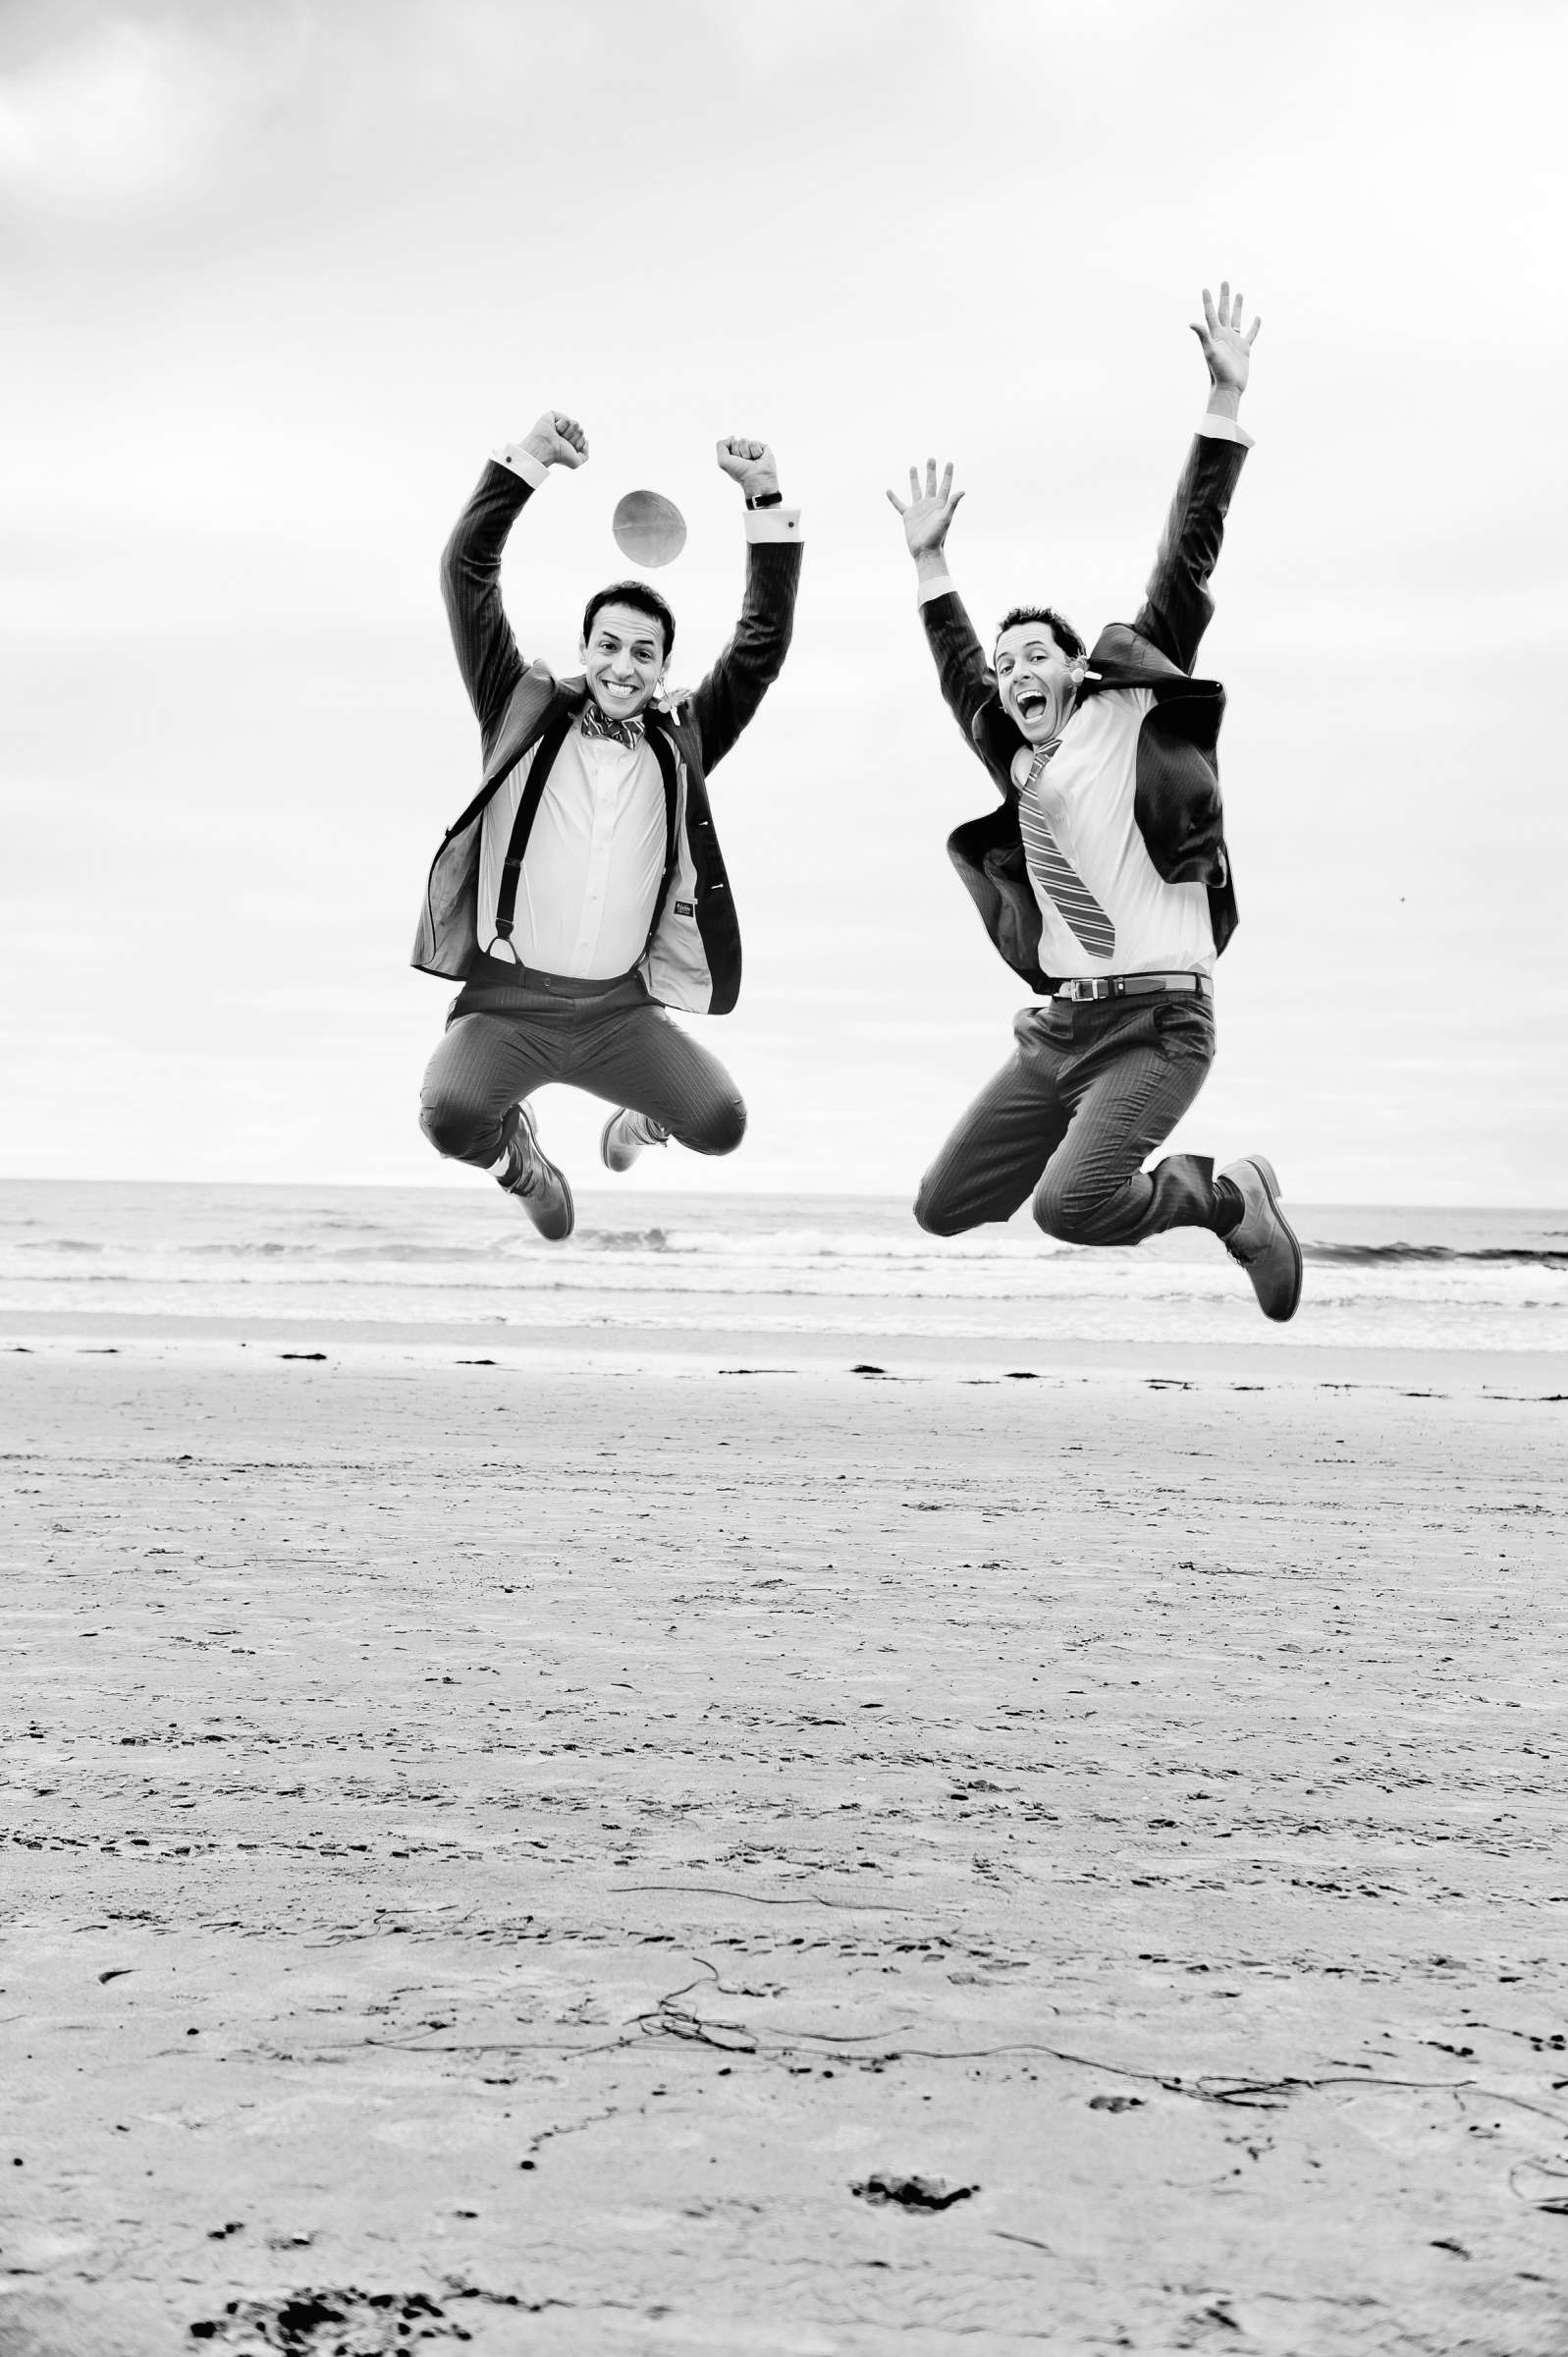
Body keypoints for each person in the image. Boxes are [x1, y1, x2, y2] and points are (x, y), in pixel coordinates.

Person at [886, 282, 1301, 1321]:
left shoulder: (1125, 717)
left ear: (1078, 669)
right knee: (942, 1207)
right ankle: (1092, 1147)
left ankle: (1224, 1196)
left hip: (1161, 1021)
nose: (1013, 668)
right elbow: (955, 675)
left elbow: (1185, 559)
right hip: (1060, 1031)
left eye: (1036, 654)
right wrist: (931, 561)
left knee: (1068, 1210)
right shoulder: (1018, 763)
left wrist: (1222, 401)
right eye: (1004, 659)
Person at [413, 412, 802, 1239]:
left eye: (644, 653)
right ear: (585, 649)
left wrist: (763, 497)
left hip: (618, 1016)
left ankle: (637, 1119)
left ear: (664, 668)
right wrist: (530, 462)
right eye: (609, 645)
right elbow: (466, 572)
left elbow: (761, 645)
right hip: (508, 1005)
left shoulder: (683, 741)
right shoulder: (516, 709)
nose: (623, 666)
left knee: (721, 1124)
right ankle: (521, 1158)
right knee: (449, 1117)